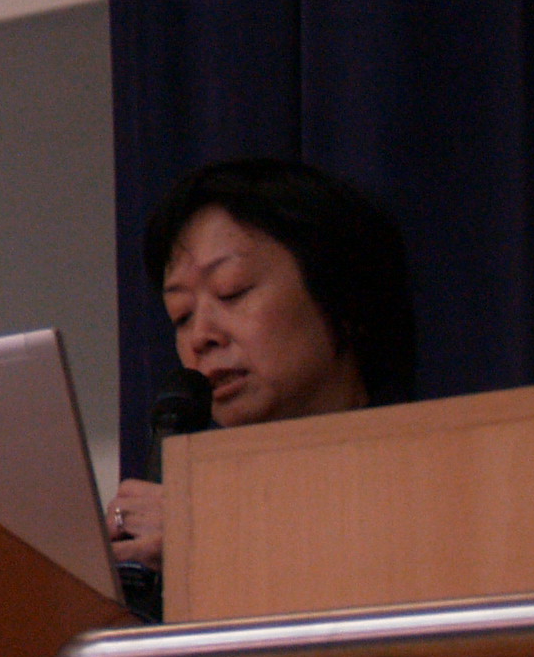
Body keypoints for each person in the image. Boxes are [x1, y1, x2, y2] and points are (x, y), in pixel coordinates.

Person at [107, 157, 416, 584]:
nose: (201, 336)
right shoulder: (198, 501)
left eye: (231, 291)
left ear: (343, 296)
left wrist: (215, 540)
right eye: (181, 315)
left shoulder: (438, 479)